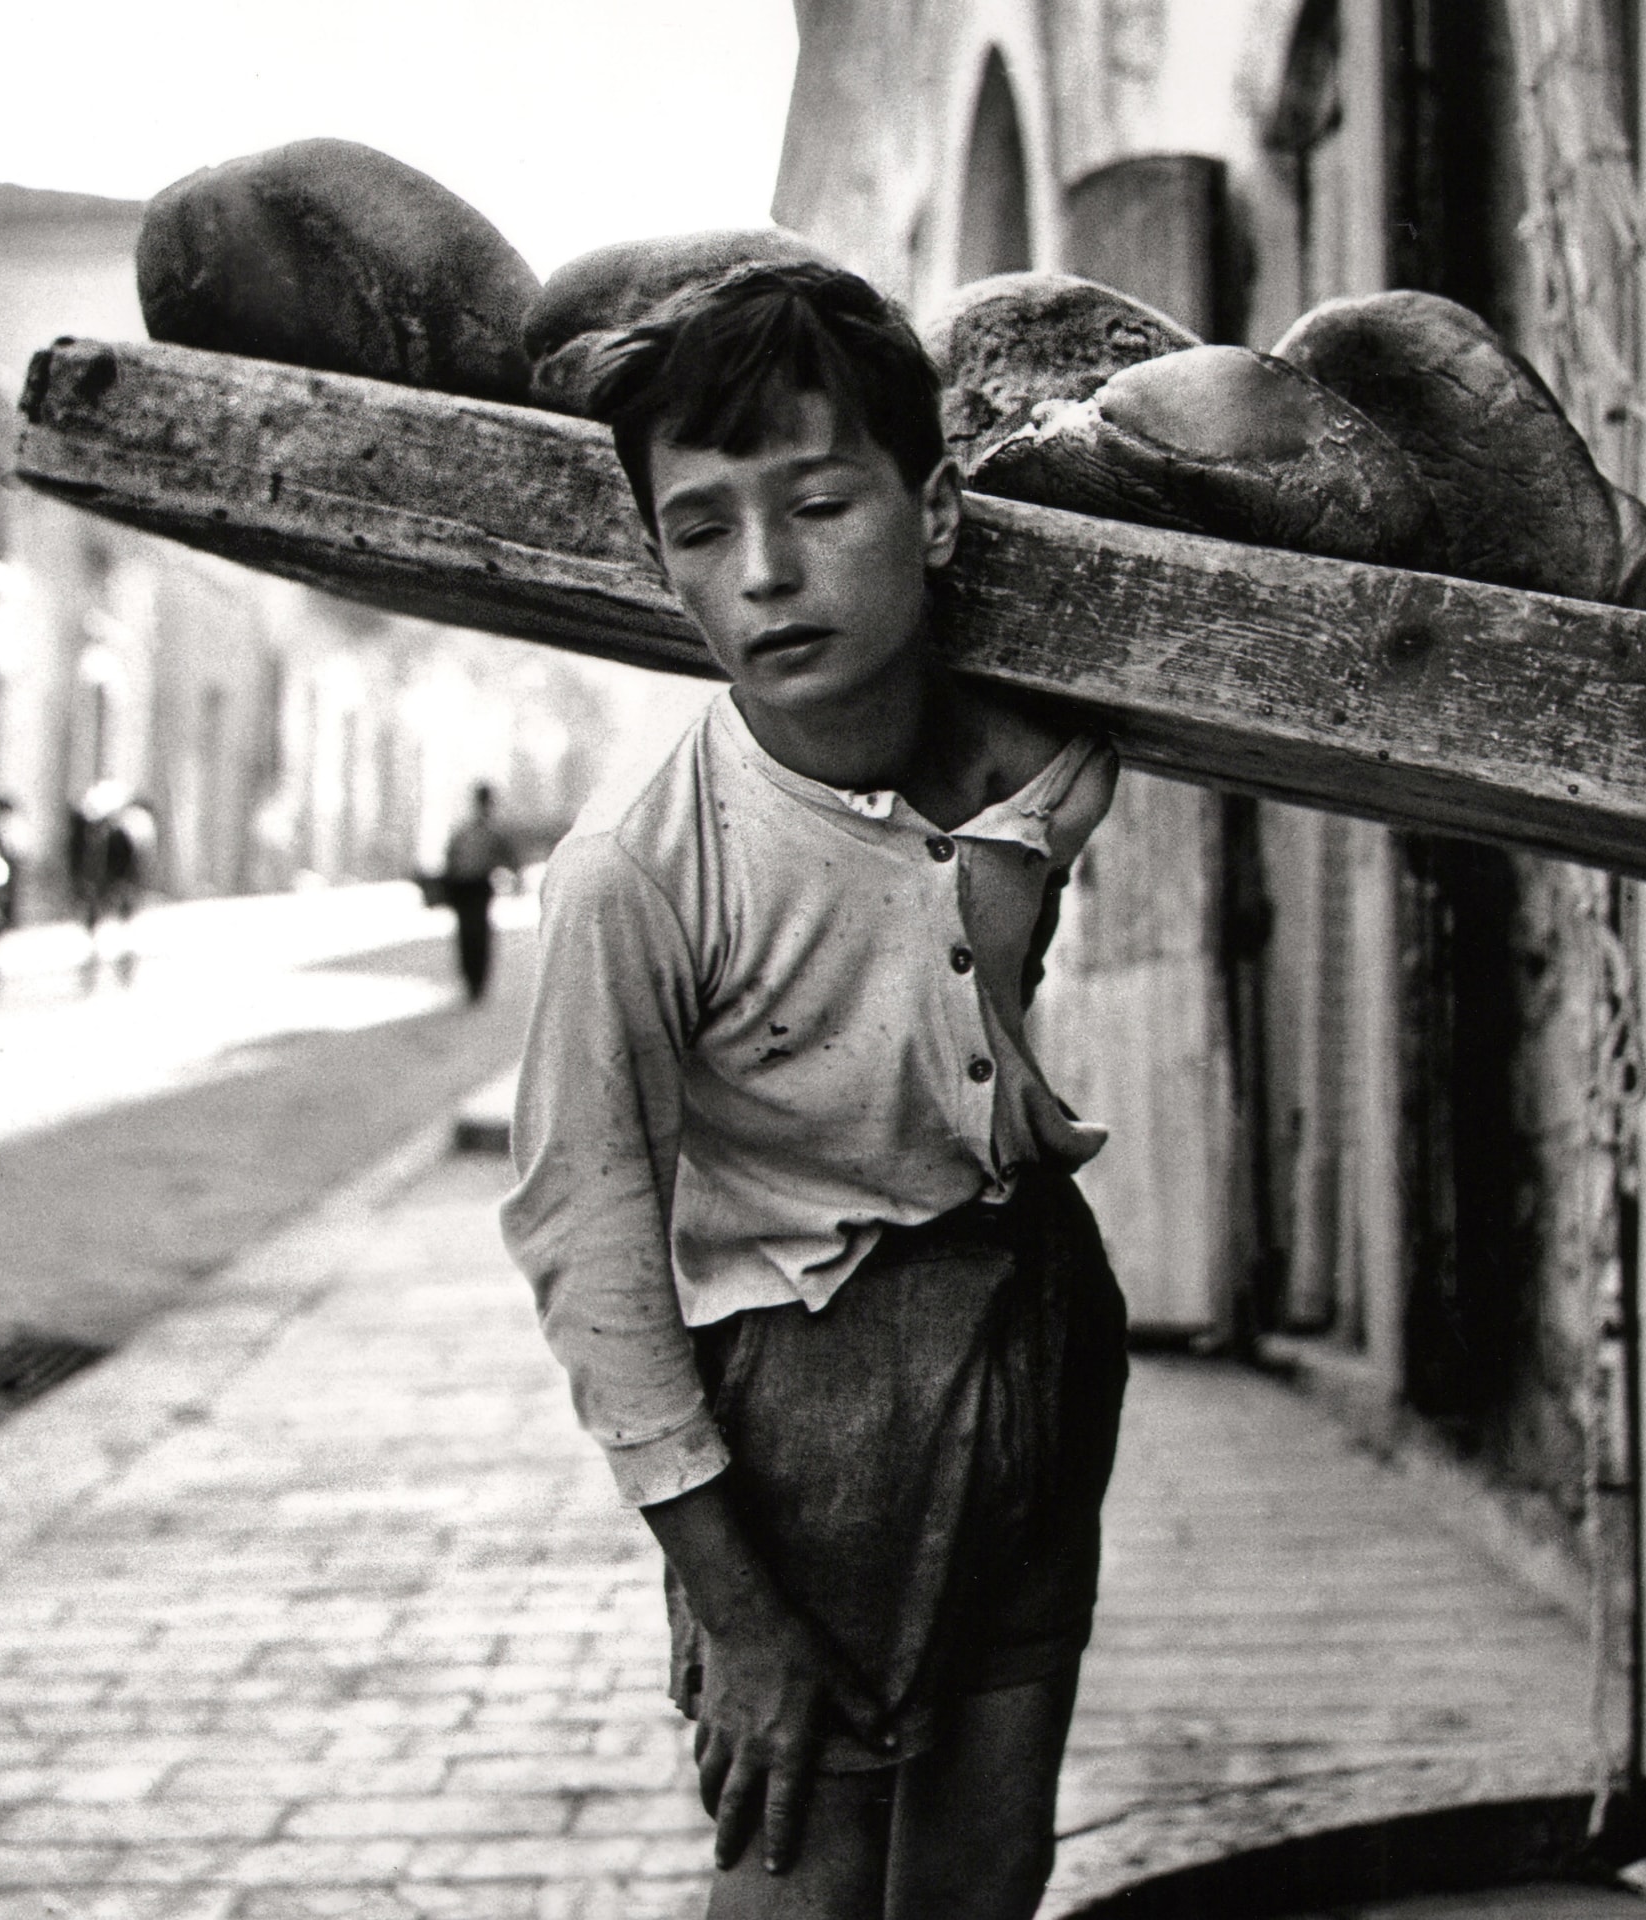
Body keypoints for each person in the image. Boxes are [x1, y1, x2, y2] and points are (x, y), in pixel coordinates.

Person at [501, 261, 1127, 1919]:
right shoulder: (635, 879)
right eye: (701, 528)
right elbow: (591, 1255)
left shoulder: (1055, 750)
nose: (768, 573)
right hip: (802, 1404)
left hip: (1036, 1315)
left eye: (820, 501)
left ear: (930, 510)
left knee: (989, 1865)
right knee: (800, 1878)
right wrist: (739, 1612)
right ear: (659, 568)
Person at [439, 783, 514, 1002]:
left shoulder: (489, 832)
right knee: (469, 934)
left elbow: (508, 857)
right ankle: (473, 980)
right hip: (465, 887)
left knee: (475, 933)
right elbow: (451, 858)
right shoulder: (472, 831)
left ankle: (476, 981)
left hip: (477, 887)